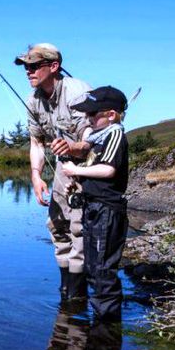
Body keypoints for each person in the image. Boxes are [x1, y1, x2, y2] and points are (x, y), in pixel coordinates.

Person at [14, 43, 92, 300]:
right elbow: (37, 143)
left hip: (90, 163)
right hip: (61, 164)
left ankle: (77, 293)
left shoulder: (78, 92)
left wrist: (73, 147)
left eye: (34, 66)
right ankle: (65, 287)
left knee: (78, 226)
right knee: (57, 223)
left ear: (54, 66)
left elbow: (93, 142)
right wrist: (36, 176)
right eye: (26, 67)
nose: (28, 71)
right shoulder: (33, 100)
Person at [60, 86, 129, 321]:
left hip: (107, 211)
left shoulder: (114, 135)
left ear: (111, 115)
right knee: (93, 268)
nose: (88, 119)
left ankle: (106, 327)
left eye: (92, 114)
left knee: (103, 271)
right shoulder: (98, 140)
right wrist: (78, 181)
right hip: (93, 208)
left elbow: (109, 169)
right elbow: (95, 171)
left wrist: (75, 168)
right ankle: (100, 322)